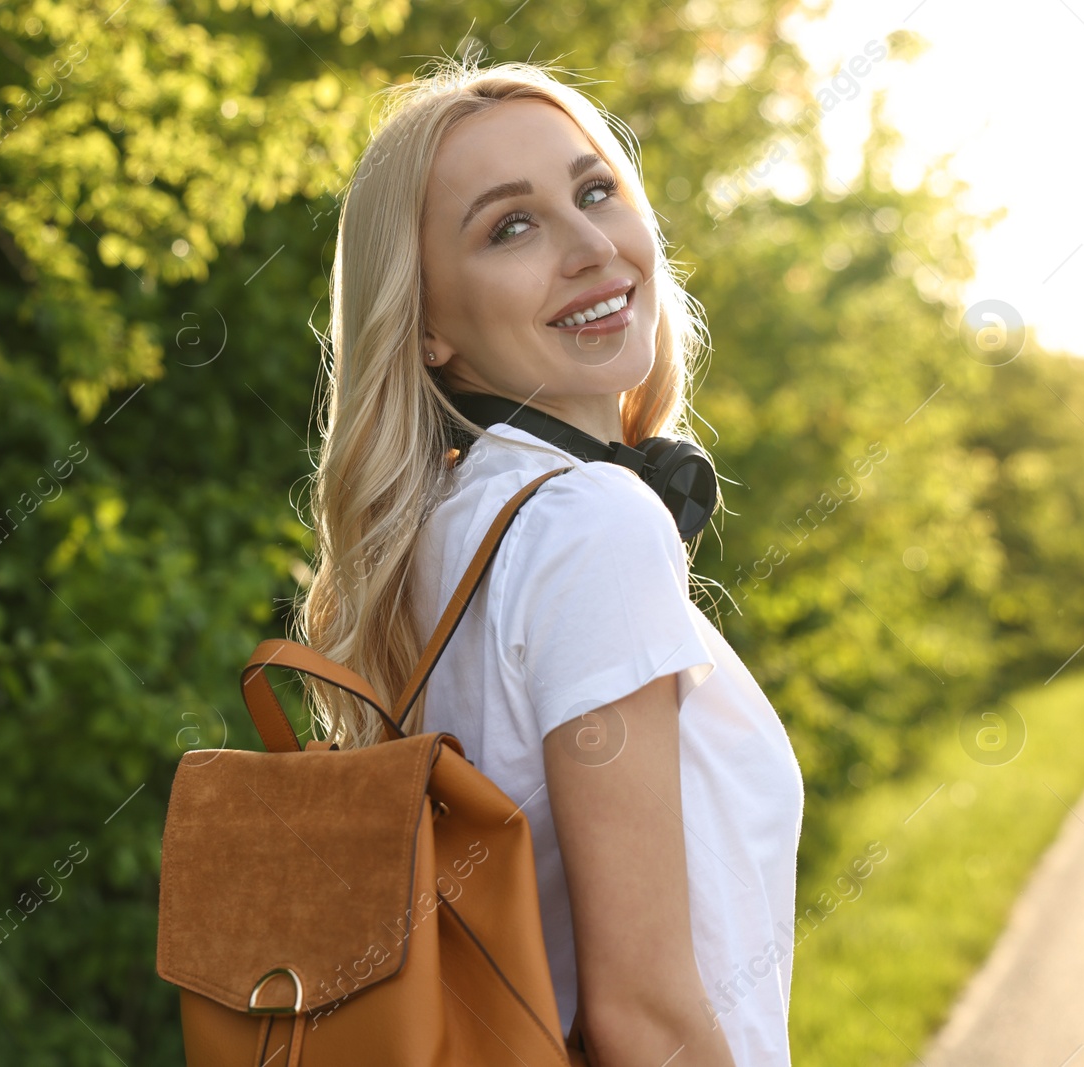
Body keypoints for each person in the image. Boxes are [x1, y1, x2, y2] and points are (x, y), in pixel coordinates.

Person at [291, 57, 804, 1067]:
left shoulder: (442, 532)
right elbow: (642, 1017)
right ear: (428, 324)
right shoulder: (589, 522)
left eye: (596, 189)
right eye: (509, 226)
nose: (589, 246)